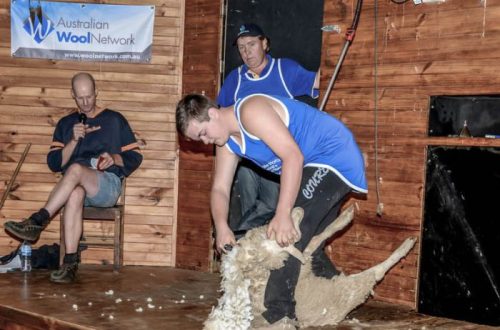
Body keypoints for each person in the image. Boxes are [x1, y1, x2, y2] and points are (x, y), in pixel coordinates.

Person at [176, 93, 367, 328]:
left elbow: (292, 156)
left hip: (333, 155)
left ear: (213, 113)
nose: (205, 142)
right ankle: (338, 294)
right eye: (199, 139)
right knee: (310, 245)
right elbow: (220, 189)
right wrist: (222, 226)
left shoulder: (250, 111)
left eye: (203, 133)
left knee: (287, 235)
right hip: (313, 163)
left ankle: (278, 315)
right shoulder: (227, 142)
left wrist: (283, 213)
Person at [4, 72, 142, 283]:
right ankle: (69, 263)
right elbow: (54, 164)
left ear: (97, 92)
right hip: (76, 186)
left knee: (76, 169)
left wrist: (113, 158)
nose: (86, 103)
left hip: (107, 186)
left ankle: (38, 220)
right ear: (72, 95)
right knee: (75, 192)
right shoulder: (66, 124)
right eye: (80, 98)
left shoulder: (115, 119)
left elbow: (135, 157)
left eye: (89, 96)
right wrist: (73, 140)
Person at [218, 23, 320, 243]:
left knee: (270, 206)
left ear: (265, 43)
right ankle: (247, 246)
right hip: (247, 158)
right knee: (245, 203)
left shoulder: (285, 70)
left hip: (277, 157)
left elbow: (320, 81)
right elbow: (219, 120)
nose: (247, 52)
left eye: (252, 44)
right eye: (242, 47)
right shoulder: (234, 80)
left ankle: (246, 241)